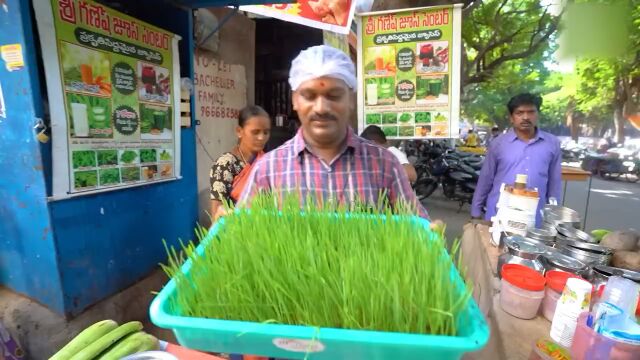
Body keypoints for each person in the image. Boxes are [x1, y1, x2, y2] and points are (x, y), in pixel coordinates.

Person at [238, 45, 429, 219]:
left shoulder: (385, 164)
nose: (321, 107)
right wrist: (224, 232)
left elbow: (419, 228)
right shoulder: (268, 169)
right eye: (309, 96)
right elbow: (240, 236)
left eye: (334, 96)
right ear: (295, 101)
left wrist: (430, 234)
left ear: (351, 100)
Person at [471, 93, 562, 225]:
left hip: (534, 218)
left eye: (531, 112)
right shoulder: (498, 144)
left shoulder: (552, 143)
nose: (526, 117)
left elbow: (554, 184)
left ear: (538, 115)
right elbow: (485, 179)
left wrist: (554, 217)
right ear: (511, 118)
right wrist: (475, 212)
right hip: (499, 215)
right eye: (520, 113)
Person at [209, 105, 271, 220]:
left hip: (264, 227)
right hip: (235, 229)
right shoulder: (225, 164)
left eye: (266, 132)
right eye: (255, 132)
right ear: (239, 131)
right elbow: (217, 212)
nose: (261, 137)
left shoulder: (268, 161)